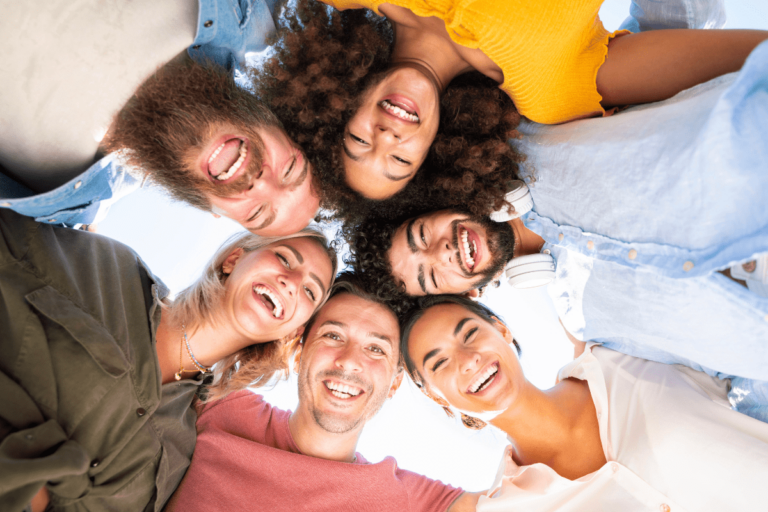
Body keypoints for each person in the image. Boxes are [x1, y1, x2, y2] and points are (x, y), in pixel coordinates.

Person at [257, 0, 767, 204]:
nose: (386, 138)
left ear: (337, 102)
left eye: (357, 141)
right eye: (398, 161)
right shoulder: (552, 91)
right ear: (435, 151)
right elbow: (747, 57)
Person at [0, 208, 336, 511]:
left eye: (310, 291)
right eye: (284, 259)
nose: (291, 283)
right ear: (233, 259)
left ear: (292, 332)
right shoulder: (110, 271)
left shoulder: (177, 450)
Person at [346, 199, 768, 420]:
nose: (443, 252)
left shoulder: (541, 142)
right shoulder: (584, 317)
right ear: (467, 295)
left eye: (423, 234)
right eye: (430, 278)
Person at [401, 295, 768, 511]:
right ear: (436, 395)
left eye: (470, 334)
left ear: (501, 329)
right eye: (440, 363)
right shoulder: (512, 506)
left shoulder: (619, 355)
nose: (467, 360)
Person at [0, 0, 321, 236]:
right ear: (279, 122)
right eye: (290, 169)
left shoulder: (65, 203)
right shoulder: (251, 17)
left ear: (214, 211)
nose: (261, 182)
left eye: (257, 213)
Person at [167, 273, 480, 512]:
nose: (349, 361)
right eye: (333, 336)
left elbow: (524, 497)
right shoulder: (220, 406)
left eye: (375, 349)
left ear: (395, 383)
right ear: (299, 352)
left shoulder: (410, 501)